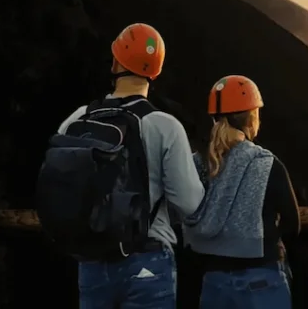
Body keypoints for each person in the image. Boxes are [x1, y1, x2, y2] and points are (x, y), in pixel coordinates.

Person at [38, 23, 205, 309]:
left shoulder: (77, 118)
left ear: (116, 62)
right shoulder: (165, 126)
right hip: (147, 259)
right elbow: (189, 203)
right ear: (155, 71)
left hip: (91, 261)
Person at [183, 75, 301, 309]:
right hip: (261, 280)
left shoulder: (197, 163)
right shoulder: (265, 162)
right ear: (251, 118)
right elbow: (292, 223)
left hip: (213, 282)